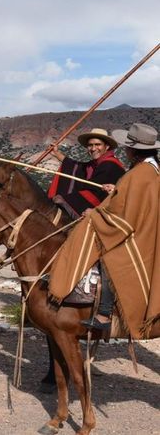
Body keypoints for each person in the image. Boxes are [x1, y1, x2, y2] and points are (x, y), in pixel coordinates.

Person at [48, 123, 159, 337]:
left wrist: (97, 215)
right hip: (146, 226)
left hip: (139, 233)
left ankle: (105, 314)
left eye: (127, 147)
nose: (125, 151)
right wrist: (115, 190)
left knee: (109, 254)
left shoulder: (139, 174)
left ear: (133, 150)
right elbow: (132, 201)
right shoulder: (149, 169)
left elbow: (125, 216)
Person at [46, 128, 125, 218]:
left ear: (106, 146)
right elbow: (78, 168)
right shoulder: (96, 164)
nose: (93, 148)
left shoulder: (110, 166)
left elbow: (96, 192)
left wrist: (65, 199)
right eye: (90, 145)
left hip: (108, 215)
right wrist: (56, 153)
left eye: (97, 144)